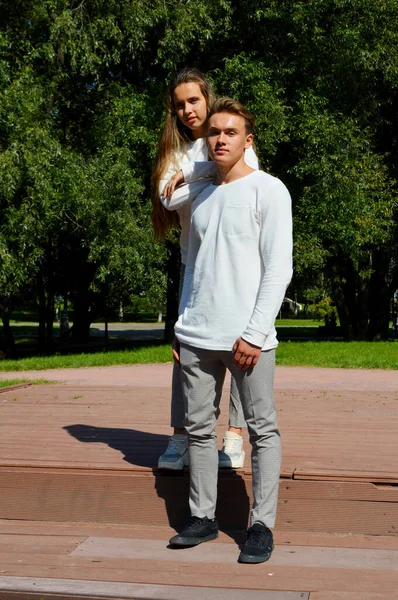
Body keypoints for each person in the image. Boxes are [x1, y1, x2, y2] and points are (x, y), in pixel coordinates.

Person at [168, 98, 293, 563]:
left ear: (248, 140)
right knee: (199, 430)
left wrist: (256, 333)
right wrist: (181, 328)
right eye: (213, 133)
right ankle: (202, 517)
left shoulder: (270, 190)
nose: (220, 139)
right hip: (198, 335)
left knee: (262, 431)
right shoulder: (200, 195)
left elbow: (278, 269)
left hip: (248, 340)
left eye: (231, 132)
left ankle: (261, 525)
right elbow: (193, 267)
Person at [151, 68, 258, 470]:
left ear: (207, 98)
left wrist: (194, 175)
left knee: (240, 347)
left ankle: (233, 437)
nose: (187, 110)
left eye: (193, 100)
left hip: (236, 264)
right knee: (185, 351)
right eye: (179, 105)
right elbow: (169, 202)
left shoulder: (230, 135)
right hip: (194, 265)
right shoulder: (175, 153)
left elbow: (249, 180)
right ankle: (181, 436)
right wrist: (207, 174)